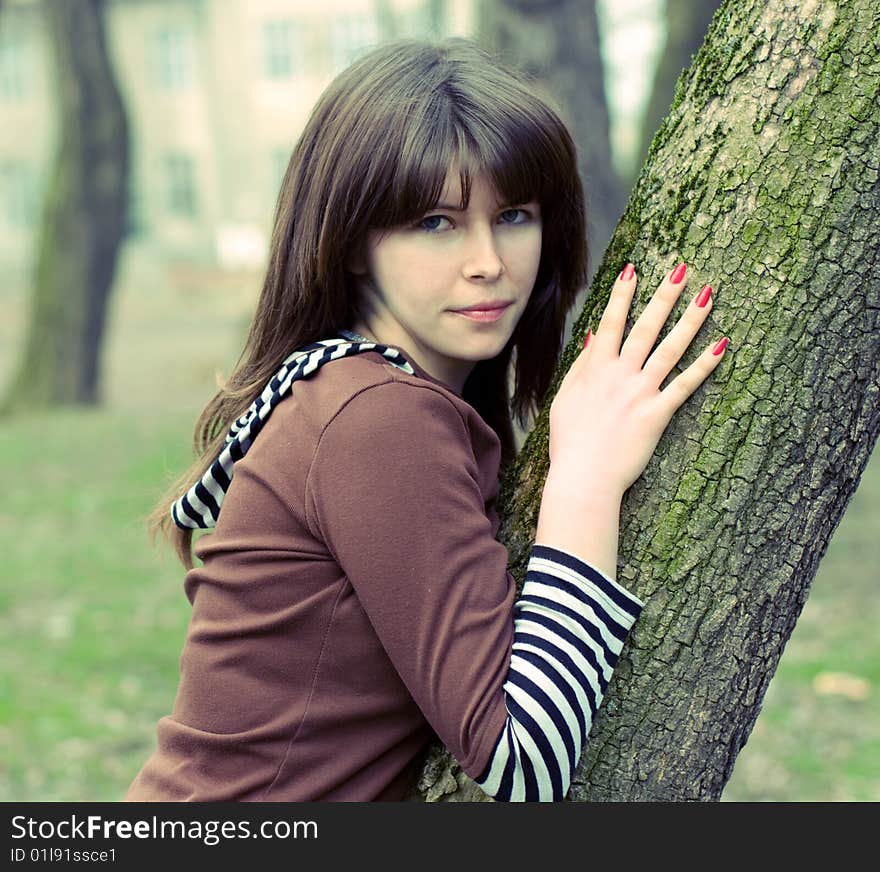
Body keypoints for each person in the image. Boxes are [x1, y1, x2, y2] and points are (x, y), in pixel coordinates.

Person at [126, 36, 729, 803]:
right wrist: (583, 479)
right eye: (437, 223)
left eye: (513, 215)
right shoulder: (375, 420)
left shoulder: (361, 392)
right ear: (351, 244)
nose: (488, 261)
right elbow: (525, 760)